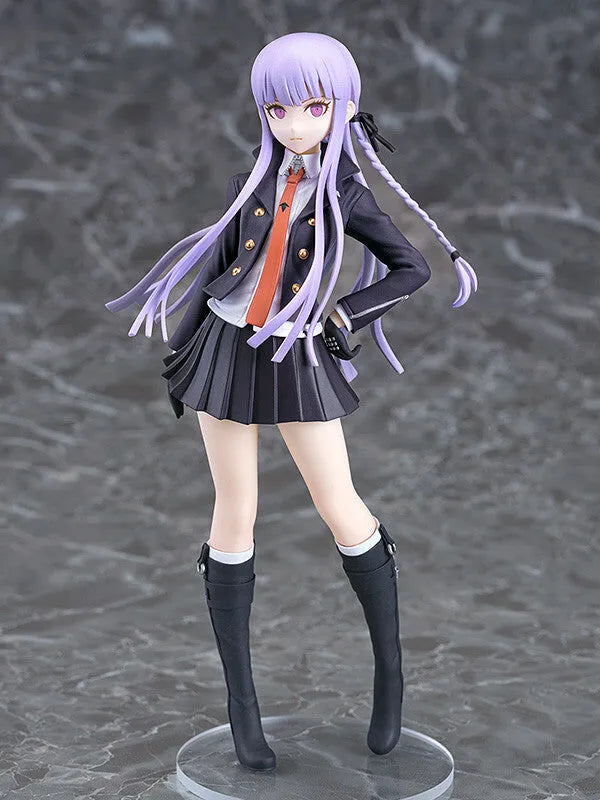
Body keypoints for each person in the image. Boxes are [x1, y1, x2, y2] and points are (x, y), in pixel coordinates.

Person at [105, 32, 478, 772]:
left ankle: (390, 684)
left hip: (296, 352)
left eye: (313, 107)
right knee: (233, 509)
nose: (295, 124)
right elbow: (215, 266)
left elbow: (411, 268)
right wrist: (182, 348)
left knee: (340, 504)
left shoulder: (345, 193)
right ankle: (242, 711)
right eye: (278, 109)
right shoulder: (253, 179)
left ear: (343, 108)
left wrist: (344, 314)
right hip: (224, 347)